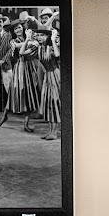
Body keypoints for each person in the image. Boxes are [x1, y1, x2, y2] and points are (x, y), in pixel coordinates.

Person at [2, 13, 40, 128]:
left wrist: (31, 41)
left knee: (30, 93)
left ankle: (26, 124)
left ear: (22, 27)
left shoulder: (29, 37)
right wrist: (31, 42)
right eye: (15, 28)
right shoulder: (13, 42)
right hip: (20, 68)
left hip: (30, 67)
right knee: (16, 92)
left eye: (19, 27)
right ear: (13, 31)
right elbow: (18, 47)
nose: (18, 30)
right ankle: (5, 114)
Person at [37, 11, 62, 139]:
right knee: (47, 102)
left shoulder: (53, 44)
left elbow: (57, 55)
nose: (39, 37)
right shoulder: (40, 47)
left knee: (54, 101)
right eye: (38, 35)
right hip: (47, 76)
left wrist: (52, 40)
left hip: (54, 74)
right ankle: (50, 130)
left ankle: (55, 132)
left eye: (41, 35)